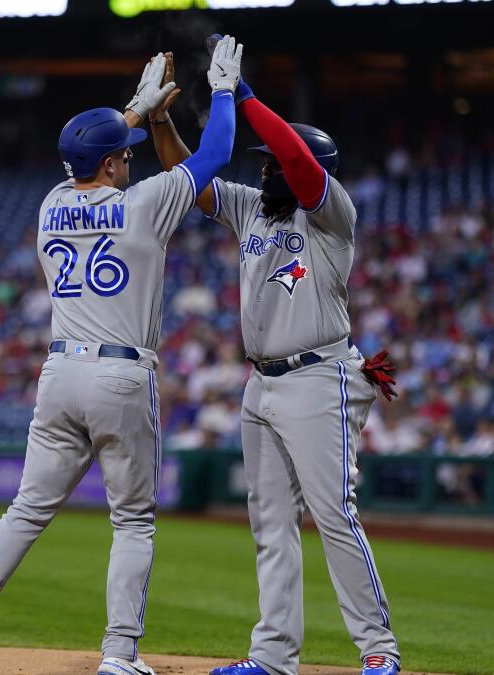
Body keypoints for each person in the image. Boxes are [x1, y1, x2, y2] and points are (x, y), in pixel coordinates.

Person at [0, 37, 243, 675]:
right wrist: (225, 92)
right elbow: (217, 154)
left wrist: (135, 110)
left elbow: (90, 147)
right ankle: (119, 655)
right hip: (122, 372)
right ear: (114, 164)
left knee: (26, 509)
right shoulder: (144, 204)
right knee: (132, 522)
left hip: (59, 372)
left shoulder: (49, 204)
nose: (128, 161)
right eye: (122, 156)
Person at [144, 43, 401, 675]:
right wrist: (159, 121)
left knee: (335, 516)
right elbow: (192, 181)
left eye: (273, 166)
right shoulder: (253, 206)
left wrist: (246, 94)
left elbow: (292, 153)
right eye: (261, 166)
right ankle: (272, 658)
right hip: (262, 382)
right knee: (270, 526)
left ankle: (378, 652)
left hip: (320, 377)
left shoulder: (330, 211)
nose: (264, 172)